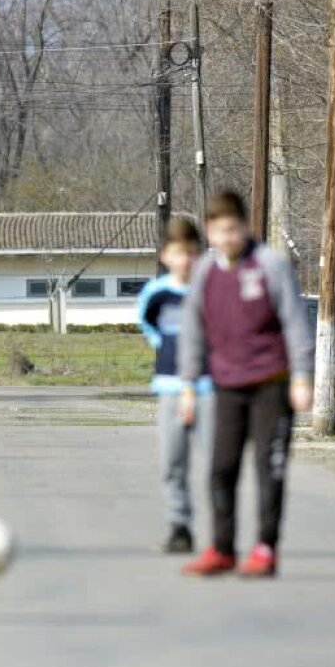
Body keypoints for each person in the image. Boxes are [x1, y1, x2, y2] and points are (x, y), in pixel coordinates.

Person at [178, 190, 314, 578]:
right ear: (209, 232)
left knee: (268, 468)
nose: (228, 238)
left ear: (245, 228)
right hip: (228, 386)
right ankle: (221, 548)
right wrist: (189, 384)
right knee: (221, 467)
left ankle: (265, 548)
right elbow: (193, 331)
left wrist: (302, 376)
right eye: (220, 231)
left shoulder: (270, 264)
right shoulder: (204, 271)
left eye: (234, 229)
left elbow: (294, 320)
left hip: (272, 381)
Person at [136, 218, 213, 554]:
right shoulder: (157, 293)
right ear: (166, 255)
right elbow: (148, 324)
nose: (185, 260)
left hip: (209, 389)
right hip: (169, 387)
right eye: (178, 253)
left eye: (191, 252)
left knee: (215, 462)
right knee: (173, 461)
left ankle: (221, 532)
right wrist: (167, 350)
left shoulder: (210, 290)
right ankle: (179, 525)